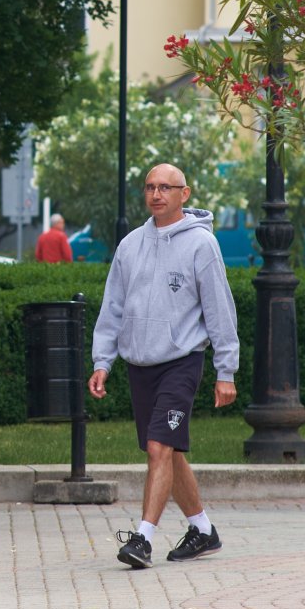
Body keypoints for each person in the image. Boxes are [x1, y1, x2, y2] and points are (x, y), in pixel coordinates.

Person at [88, 163, 239, 570]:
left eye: (166, 188)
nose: (157, 194)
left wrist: (226, 371)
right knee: (167, 453)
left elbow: (220, 309)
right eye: (150, 187)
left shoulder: (201, 246)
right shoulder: (130, 245)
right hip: (140, 363)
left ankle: (142, 539)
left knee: (159, 447)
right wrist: (103, 361)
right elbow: (113, 307)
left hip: (181, 361)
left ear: (184, 194)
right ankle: (203, 530)